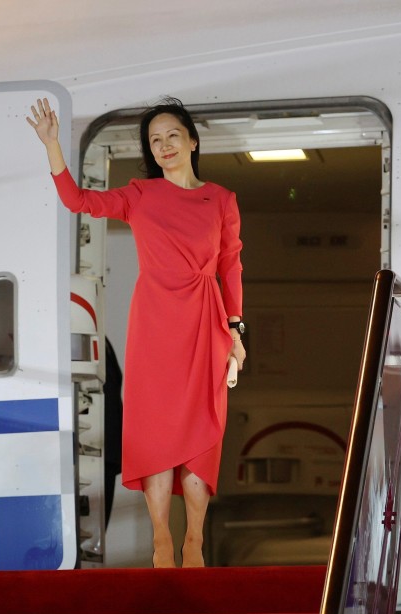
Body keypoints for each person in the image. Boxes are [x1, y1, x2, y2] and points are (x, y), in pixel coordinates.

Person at [27, 97, 245, 568]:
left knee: (202, 432)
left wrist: (237, 333)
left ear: (192, 140)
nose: (164, 146)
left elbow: (231, 267)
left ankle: (195, 541)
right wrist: (52, 146)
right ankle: (162, 538)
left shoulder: (222, 200)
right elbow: (77, 200)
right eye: (154, 140)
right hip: (154, 326)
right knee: (157, 434)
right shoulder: (140, 195)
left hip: (206, 324)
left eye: (172, 136)